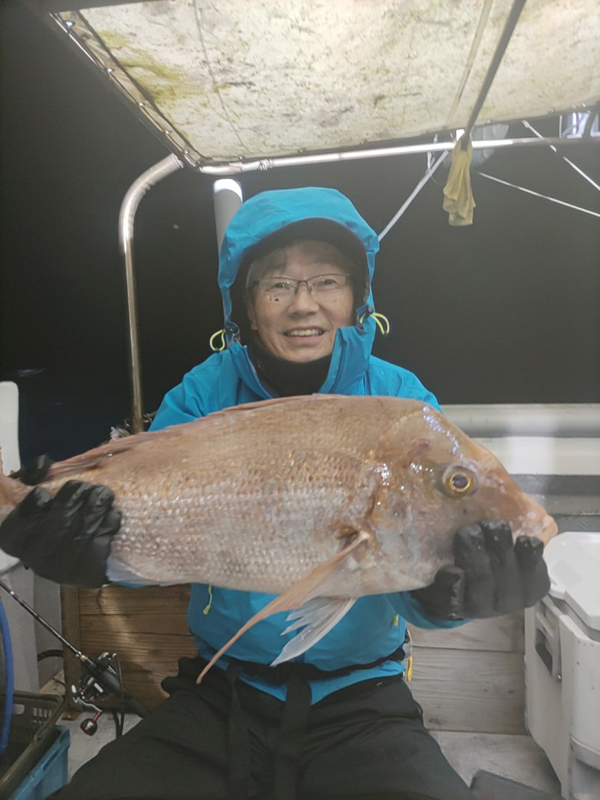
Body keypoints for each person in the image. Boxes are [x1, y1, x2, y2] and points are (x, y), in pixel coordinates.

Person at [0, 187, 550, 800]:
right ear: (247, 304)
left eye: (327, 280)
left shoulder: (403, 401)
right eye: (278, 285)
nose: (303, 304)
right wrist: (84, 554)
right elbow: (151, 538)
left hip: (363, 701)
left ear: (358, 295)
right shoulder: (200, 395)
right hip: (221, 692)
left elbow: (407, 568)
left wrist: (453, 596)